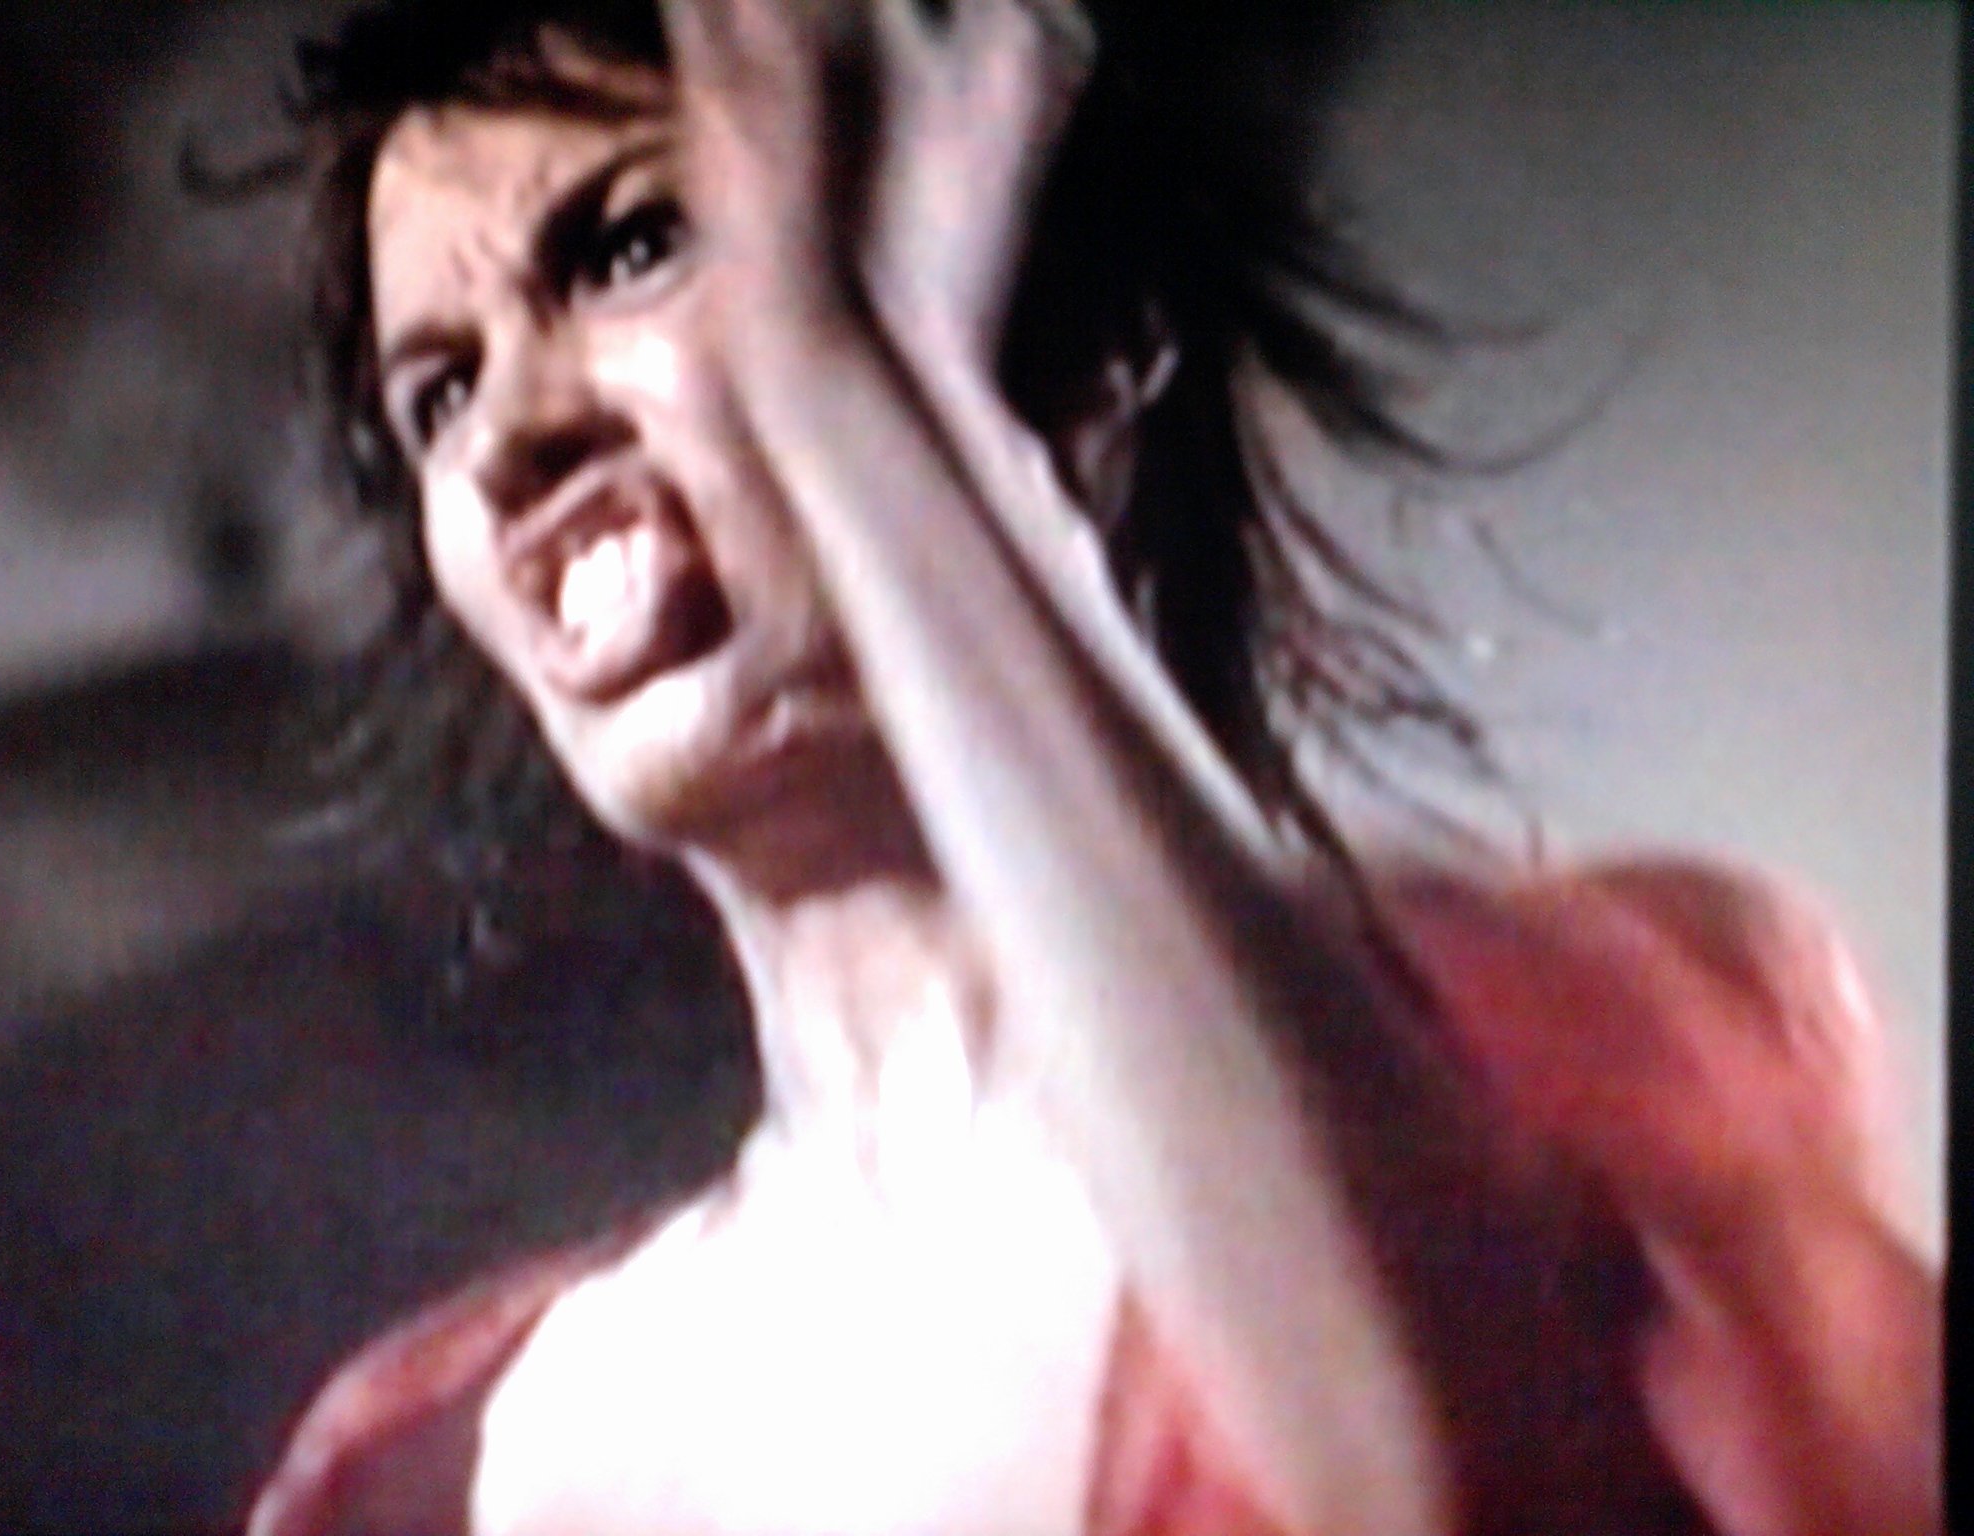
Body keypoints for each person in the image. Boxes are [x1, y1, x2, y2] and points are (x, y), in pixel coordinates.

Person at [247, 1, 1942, 1532]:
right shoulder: (423, 1464)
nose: (511, 439)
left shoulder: (1553, 1051)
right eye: (438, 393)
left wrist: (862, 387)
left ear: (1079, 343)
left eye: (631, 247)